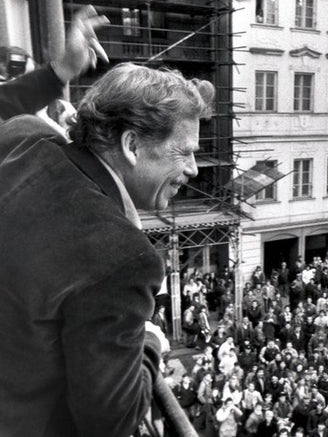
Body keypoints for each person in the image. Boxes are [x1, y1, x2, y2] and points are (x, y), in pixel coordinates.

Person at [0, 33, 213, 434]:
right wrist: (150, 341)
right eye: (184, 151)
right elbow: (111, 421)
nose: (193, 169)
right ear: (131, 143)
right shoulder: (125, 259)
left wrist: (58, 78)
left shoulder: (24, 136)